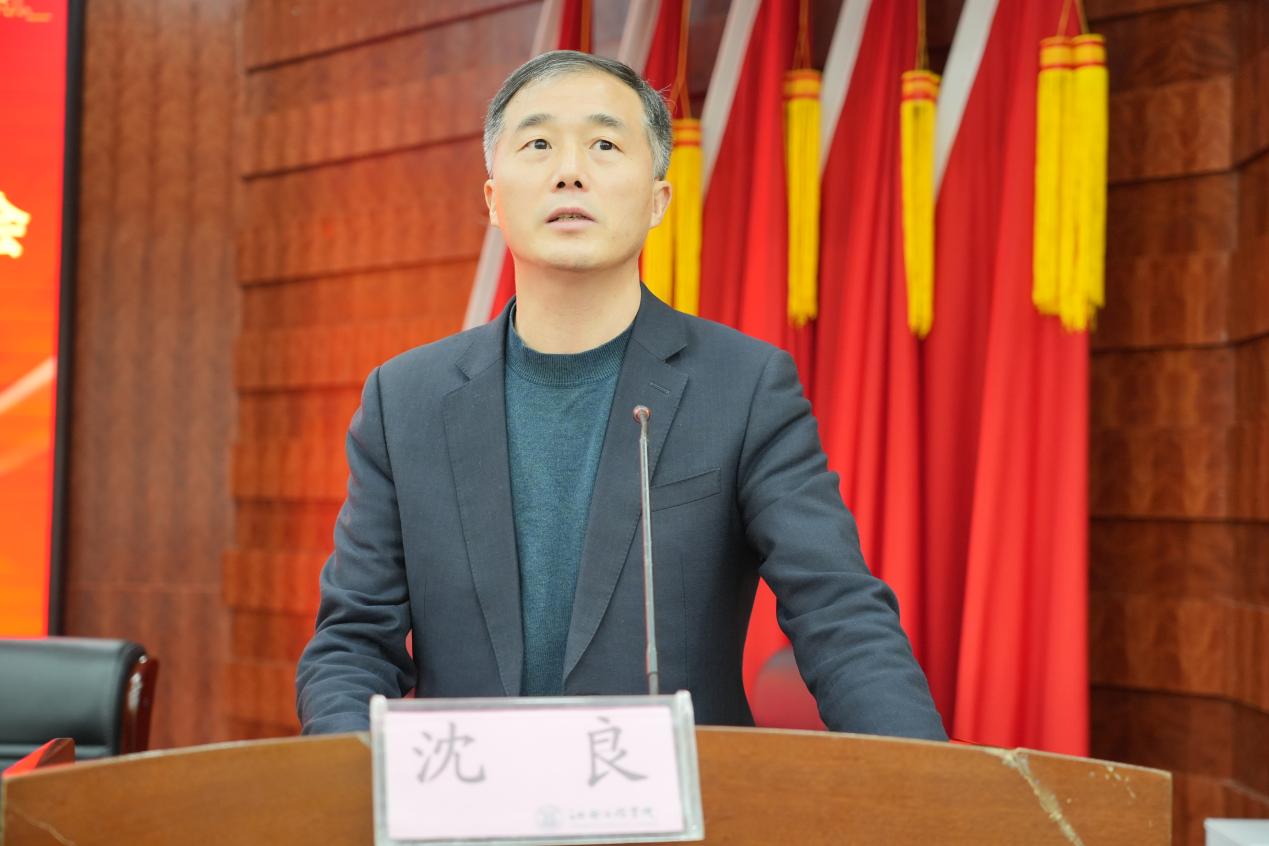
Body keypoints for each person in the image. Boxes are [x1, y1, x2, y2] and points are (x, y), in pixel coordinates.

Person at [295, 50, 946, 741]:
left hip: (674, 800)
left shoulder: (742, 387)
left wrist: (926, 787)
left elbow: (838, 615)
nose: (569, 171)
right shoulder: (405, 401)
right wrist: (348, 778)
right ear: (492, 200)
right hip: (470, 795)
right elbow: (353, 643)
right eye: (538, 144)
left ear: (658, 200)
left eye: (604, 145)